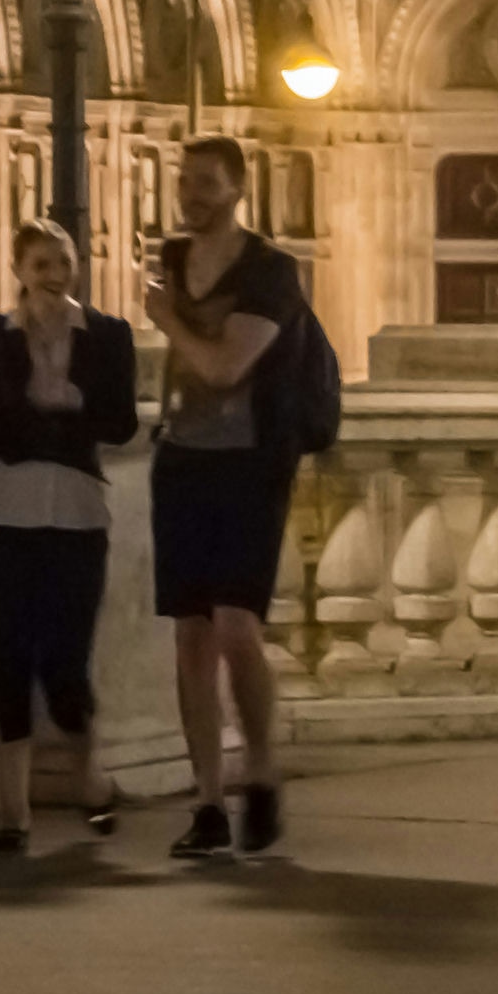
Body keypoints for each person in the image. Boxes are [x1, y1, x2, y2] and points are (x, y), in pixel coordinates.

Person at [146, 135, 306, 860]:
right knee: (191, 635)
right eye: (185, 181)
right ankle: (208, 801)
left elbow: (223, 366)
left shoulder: (270, 271)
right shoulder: (174, 257)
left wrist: (167, 320)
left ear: (238, 190)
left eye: (207, 183)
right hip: (184, 458)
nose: (191, 195)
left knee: (238, 627)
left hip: (251, 463)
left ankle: (261, 771)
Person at [0, 219, 138, 853]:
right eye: (41, 264)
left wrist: (53, 409)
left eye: (63, 261)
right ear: (19, 271)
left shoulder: (108, 336)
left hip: (77, 519)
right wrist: (50, 412)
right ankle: (14, 815)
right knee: (6, 661)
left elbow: (120, 422)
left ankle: (89, 780)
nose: (55, 275)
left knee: (66, 665)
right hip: (1, 520)